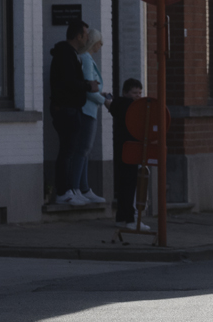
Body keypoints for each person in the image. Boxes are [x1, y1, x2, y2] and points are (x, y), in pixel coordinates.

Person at [49, 21, 100, 206]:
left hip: (71, 109)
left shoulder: (71, 55)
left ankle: (71, 189)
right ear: (78, 36)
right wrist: (88, 85)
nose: (87, 37)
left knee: (70, 150)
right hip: (66, 110)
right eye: (85, 34)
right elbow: (69, 82)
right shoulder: (66, 55)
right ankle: (63, 192)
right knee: (67, 151)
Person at [74, 30, 110, 205]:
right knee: (83, 150)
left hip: (88, 109)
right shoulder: (87, 59)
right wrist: (105, 101)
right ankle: (79, 188)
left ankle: (83, 187)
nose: (101, 46)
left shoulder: (86, 58)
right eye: (99, 42)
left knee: (83, 151)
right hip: (87, 110)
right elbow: (89, 88)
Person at [108, 78, 144, 225]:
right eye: (135, 93)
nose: (138, 96)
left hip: (121, 148)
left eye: (140, 93)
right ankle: (130, 218)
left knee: (123, 184)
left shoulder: (117, 105)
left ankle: (121, 216)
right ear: (125, 93)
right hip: (132, 147)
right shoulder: (132, 106)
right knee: (130, 184)